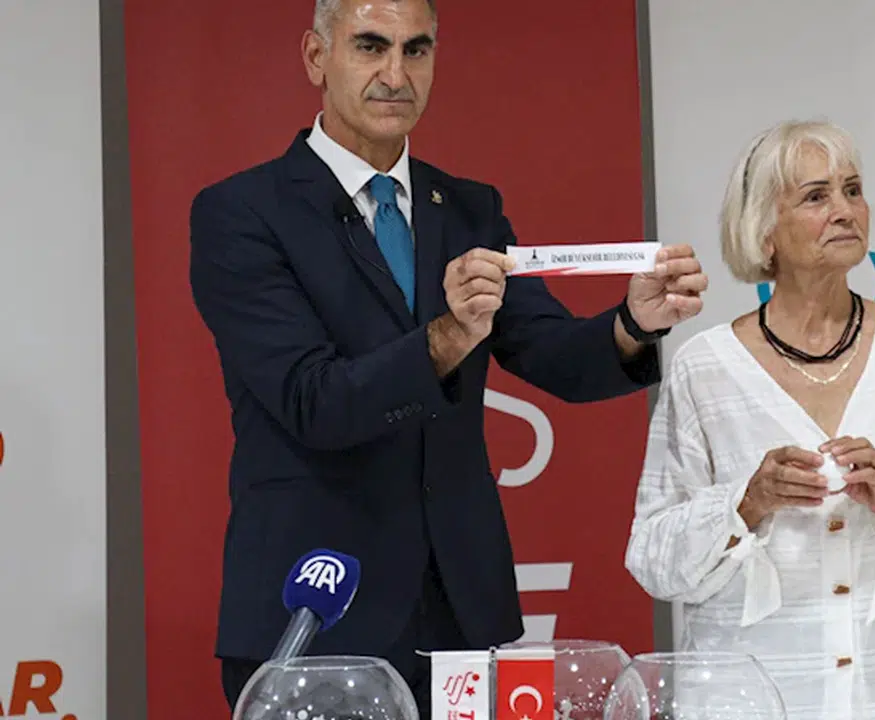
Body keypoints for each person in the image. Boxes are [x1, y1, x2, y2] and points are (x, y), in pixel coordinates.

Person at [188, 0, 708, 711]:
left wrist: (634, 323)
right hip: (316, 613)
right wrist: (447, 338)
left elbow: (551, 352)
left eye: (416, 49)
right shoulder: (241, 212)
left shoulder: (469, 208)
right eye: (370, 46)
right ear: (316, 57)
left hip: (464, 615)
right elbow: (314, 401)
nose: (395, 73)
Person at [623, 119, 875, 720]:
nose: (845, 210)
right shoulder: (706, 367)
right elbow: (653, 559)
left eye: (852, 190)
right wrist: (746, 503)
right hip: (747, 702)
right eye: (815, 196)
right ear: (763, 233)